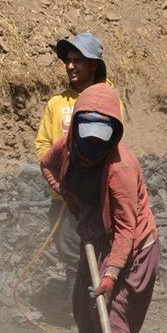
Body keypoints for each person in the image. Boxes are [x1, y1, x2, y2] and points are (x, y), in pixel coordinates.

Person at [40, 83, 158, 333]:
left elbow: (126, 230)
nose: (92, 142)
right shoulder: (66, 146)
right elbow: (46, 164)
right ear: (77, 125)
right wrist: (66, 194)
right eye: (87, 131)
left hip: (132, 245)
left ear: (114, 134)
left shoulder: (121, 168)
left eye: (101, 134)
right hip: (97, 235)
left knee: (110, 310)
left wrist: (111, 275)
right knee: (85, 311)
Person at [34, 32, 122, 262]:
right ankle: (75, 298)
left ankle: (99, 297)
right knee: (72, 261)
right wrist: (58, 178)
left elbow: (114, 146)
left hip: (95, 200)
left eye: (78, 60)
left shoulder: (108, 100)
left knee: (100, 256)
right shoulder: (56, 104)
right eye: (67, 61)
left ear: (94, 64)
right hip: (62, 199)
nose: (70, 66)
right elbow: (43, 144)